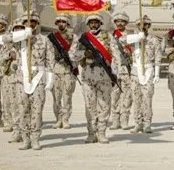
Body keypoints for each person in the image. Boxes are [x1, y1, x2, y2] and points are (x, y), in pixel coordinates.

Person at [71, 14, 114, 144]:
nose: (94, 25)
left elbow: (116, 55)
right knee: (90, 106)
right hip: (88, 77)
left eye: (96, 22)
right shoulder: (82, 38)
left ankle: (101, 133)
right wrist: (84, 53)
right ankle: (91, 133)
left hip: (104, 76)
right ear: (88, 24)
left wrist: (115, 74)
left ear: (100, 24)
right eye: (91, 23)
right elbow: (72, 55)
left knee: (104, 105)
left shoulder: (108, 37)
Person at [119, 15, 161, 133]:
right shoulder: (134, 38)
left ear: (149, 26)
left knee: (147, 99)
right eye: (141, 24)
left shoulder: (154, 40)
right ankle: (138, 123)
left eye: (146, 24)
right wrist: (137, 37)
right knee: (136, 98)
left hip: (148, 71)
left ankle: (147, 123)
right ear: (137, 26)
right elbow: (121, 40)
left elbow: (158, 56)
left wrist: (157, 73)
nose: (143, 26)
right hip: (135, 72)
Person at [14, 13, 50, 151]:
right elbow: (1, 40)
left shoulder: (44, 40)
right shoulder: (18, 38)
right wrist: (23, 34)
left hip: (38, 78)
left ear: (37, 23)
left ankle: (35, 139)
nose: (30, 23)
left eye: (33, 21)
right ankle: (25, 139)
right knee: (23, 110)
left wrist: (50, 79)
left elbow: (50, 60)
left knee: (37, 110)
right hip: (21, 79)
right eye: (27, 21)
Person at [45, 14, 77, 129]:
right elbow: (48, 52)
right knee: (56, 97)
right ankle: (58, 119)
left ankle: (65, 119)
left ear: (67, 23)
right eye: (59, 22)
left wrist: (67, 57)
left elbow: (74, 50)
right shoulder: (51, 37)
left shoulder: (73, 36)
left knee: (67, 96)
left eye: (63, 22)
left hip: (68, 70)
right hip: (55, 70)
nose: (61, 24)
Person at [110, 12, 135, 130]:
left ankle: (124, 120)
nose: (120, 23)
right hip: (114, 70)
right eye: (117, 21)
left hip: (127, 70)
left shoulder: (131, 36)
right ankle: (115, 121)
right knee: (114, 96)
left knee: (127, 96)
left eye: (122, 21)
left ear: (126, 23)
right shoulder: (110, 36)